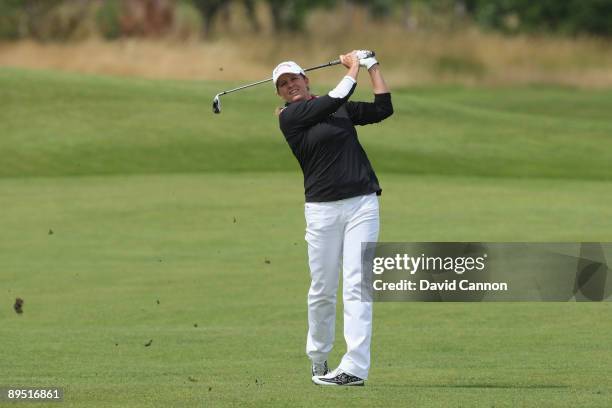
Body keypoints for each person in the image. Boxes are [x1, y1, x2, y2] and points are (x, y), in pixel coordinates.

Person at [273, 50, 393, 386]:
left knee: (357, 285)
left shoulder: (337, 107)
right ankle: (318, 356)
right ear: (280, 94)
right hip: (322, 211)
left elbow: (383, 108)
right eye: (283, 84)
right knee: (323, 289)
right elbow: (336, 95)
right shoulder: (290, 117)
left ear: (305, 79)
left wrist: (372, 66)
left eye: (294, 78)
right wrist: (353, 65)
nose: (290, 86)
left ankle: (354, 368)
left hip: (362, 204)